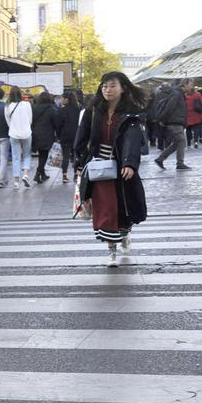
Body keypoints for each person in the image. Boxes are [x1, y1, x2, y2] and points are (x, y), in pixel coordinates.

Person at [74, 71, 148, 267]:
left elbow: (133, 140)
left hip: (121, 168)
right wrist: (80, 163)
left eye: (112, 85)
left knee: (123, 209)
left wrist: (129, 163)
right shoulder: (92, 111)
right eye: (104, 86)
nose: (107, 90)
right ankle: (111, 251)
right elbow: (81, 138)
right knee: (106, 209)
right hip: (98, 168)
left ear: (123, 88)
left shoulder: (131, 113)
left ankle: (124, 235)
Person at [153, 79, 191, 170]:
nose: (191, 87)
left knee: (177, 143)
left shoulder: (179, 93)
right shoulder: (177, 94)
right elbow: (169, 108)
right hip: (174, 121)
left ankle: (160, 159)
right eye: (190, 84)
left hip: (176, 121)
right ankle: (180, 164)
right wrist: (163, 120)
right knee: (181, 141)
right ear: (185, 84)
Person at [5, 86, 33, 187]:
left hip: (13, 134)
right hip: (26, 133)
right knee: (27, 155)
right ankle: (25, 175)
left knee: (16, 157)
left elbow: (8, 121)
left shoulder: (7, 106)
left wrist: (14, 127)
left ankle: (16, 181)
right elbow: (30, 120)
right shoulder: (27, 104)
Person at [31, 91, 60, 183]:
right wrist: (58, 135)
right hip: (47, 134)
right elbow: (56, 123)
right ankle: (38, 173)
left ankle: (43, 174)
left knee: (41, 154)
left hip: (36, 134)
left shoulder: (34, 109)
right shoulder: (51, 109)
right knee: (44, 155)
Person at [56, 92, 81, 184]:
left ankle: (64, 175)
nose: (61, 100)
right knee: (76, 156)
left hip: (65, 136)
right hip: (77, 136)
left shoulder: (62, 110)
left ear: (67, 99)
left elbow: (58, 125)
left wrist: (59, 135)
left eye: (62, 98)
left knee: (65, 156)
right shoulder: (79, 110)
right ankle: (76, 175)